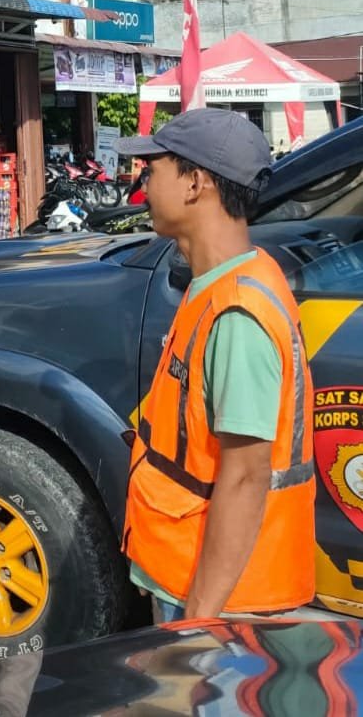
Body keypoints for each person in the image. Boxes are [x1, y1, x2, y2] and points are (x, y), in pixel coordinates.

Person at [115, 109, 315, 623]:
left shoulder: (238, 313)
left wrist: (199, 618)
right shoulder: (222, 282)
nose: (142, 184)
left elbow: (246, 477)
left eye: (152, 169)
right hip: (186, 574)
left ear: (195, 183)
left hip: (223, 609)